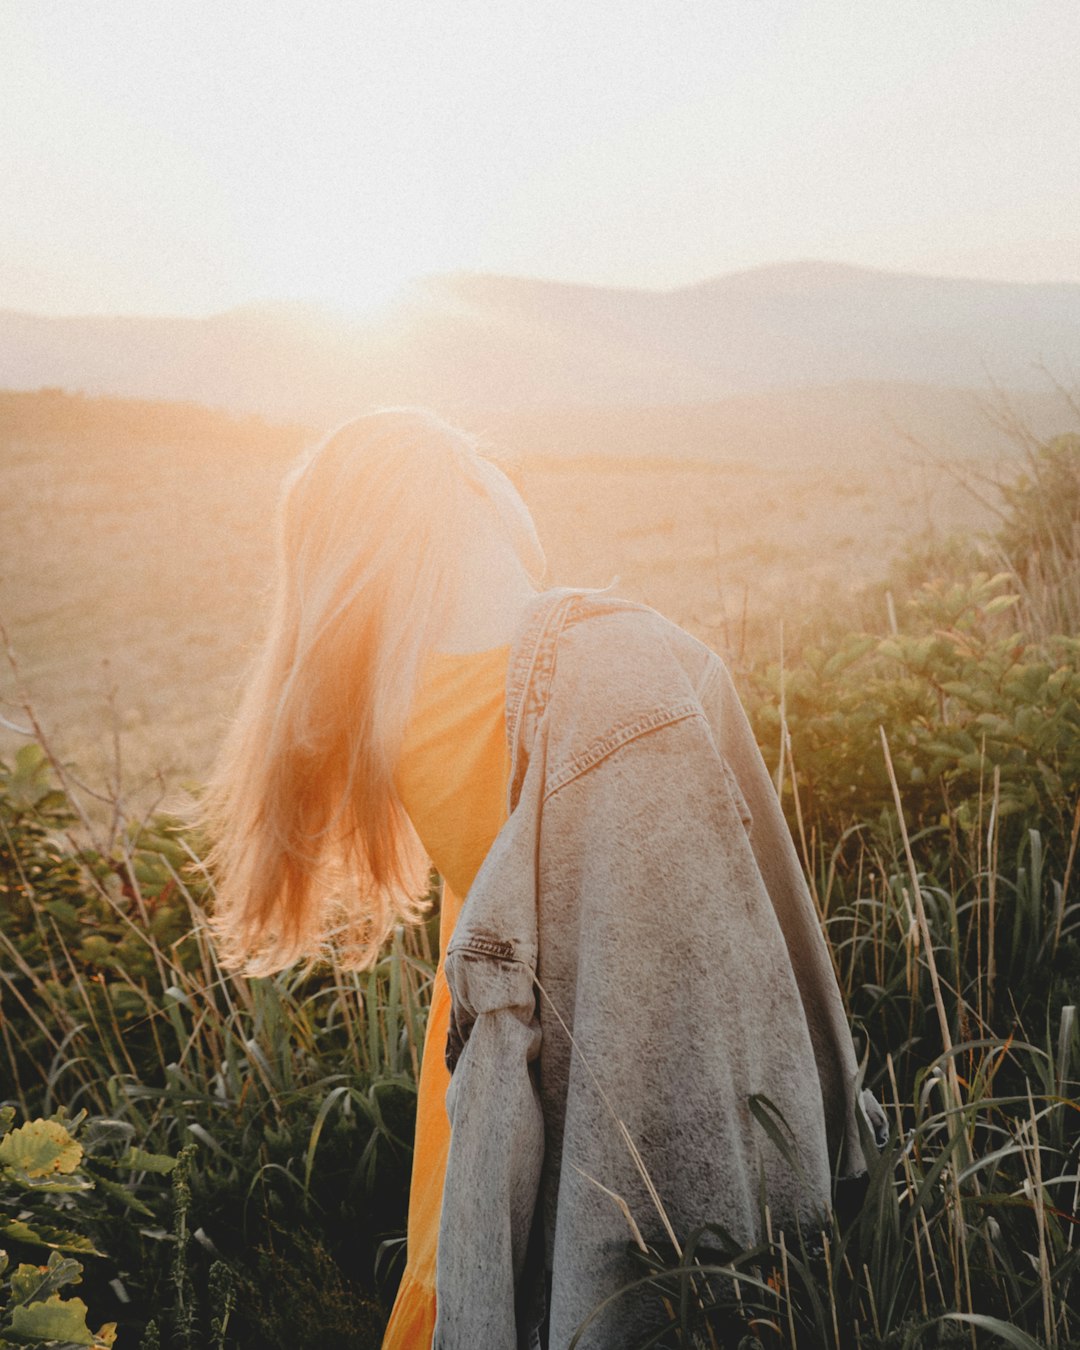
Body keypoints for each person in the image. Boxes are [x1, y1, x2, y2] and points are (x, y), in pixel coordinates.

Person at [201, 408, 874, 1350]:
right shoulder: (625, 667)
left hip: (482, 1100)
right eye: (488, 467)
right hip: (614, 1074)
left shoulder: (394, 714)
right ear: (467, 497)